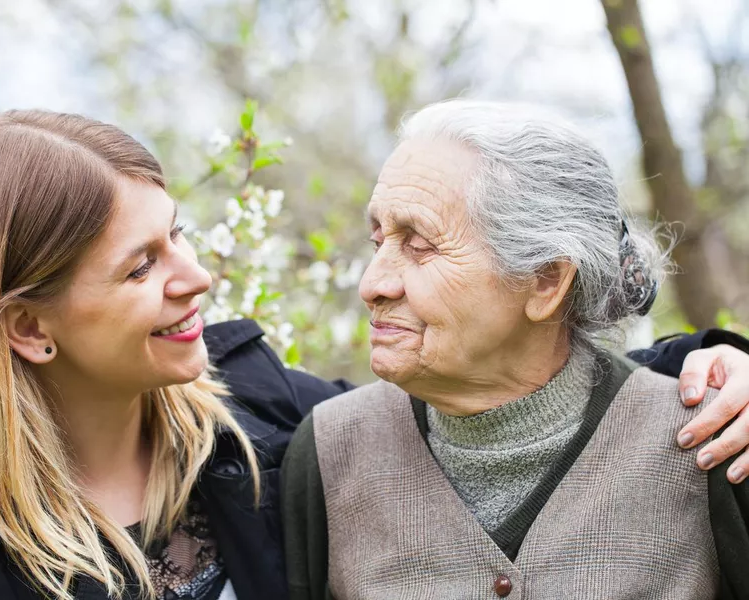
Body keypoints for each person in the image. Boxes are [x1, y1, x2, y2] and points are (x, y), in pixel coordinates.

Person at [0, 109, 745, 600]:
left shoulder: (262, 419)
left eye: (178, 236)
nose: (197, 278)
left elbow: (533, 394)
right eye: (139, 266)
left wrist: (711, 364)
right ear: (28, 328)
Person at [281, 100, 749, 600]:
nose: (372, 284)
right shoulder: (330, 452)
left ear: (546, 280)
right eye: (379, 241)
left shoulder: (716, 439)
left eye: (419, 245)